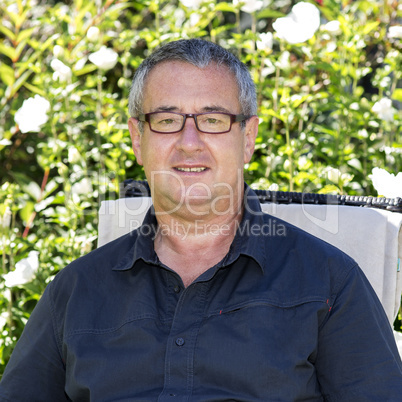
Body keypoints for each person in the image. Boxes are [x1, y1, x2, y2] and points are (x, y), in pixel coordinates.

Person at [0, 38, 401, 401]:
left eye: (212, 120)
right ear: (138, 139)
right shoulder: (74, 294)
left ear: (248, 139)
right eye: (167, 119)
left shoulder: (329, 284)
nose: (189, 143)